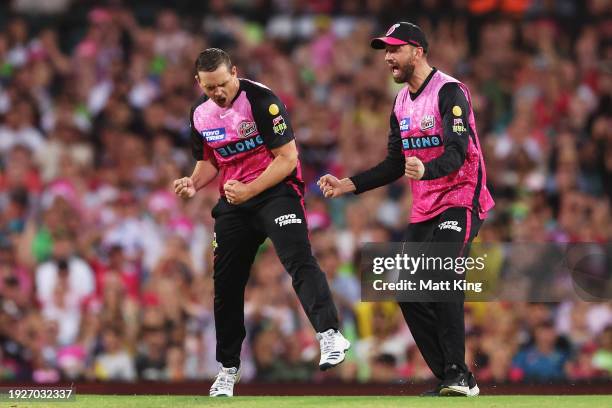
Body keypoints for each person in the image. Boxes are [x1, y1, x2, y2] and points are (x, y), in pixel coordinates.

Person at [318, 22, 494, 397]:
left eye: (395, 50)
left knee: (440, 274)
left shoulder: (450, 92)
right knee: (407, 290)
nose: (388, 58)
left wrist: (427, 169)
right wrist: (348, 185)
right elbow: (395, 163)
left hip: (462, 199)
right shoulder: (400, 103)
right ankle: (451, 375)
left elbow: (459, 150)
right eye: (385, 51)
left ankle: (459, 375)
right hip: (426, 207)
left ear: (418, 51)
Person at [174, 48, 350, 397]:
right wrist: (193, 182)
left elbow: (287, 159)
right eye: (210, 88)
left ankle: (329, 335)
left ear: (235, 72)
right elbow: (211, 161)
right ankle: (228, 368)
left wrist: (250, 190)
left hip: (275, 191)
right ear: (199, 83)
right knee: (226, 283)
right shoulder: (199, 115)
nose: (219, 93)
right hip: (235, 202)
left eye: (223, 84)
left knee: (297, 258)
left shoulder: (263, 102)